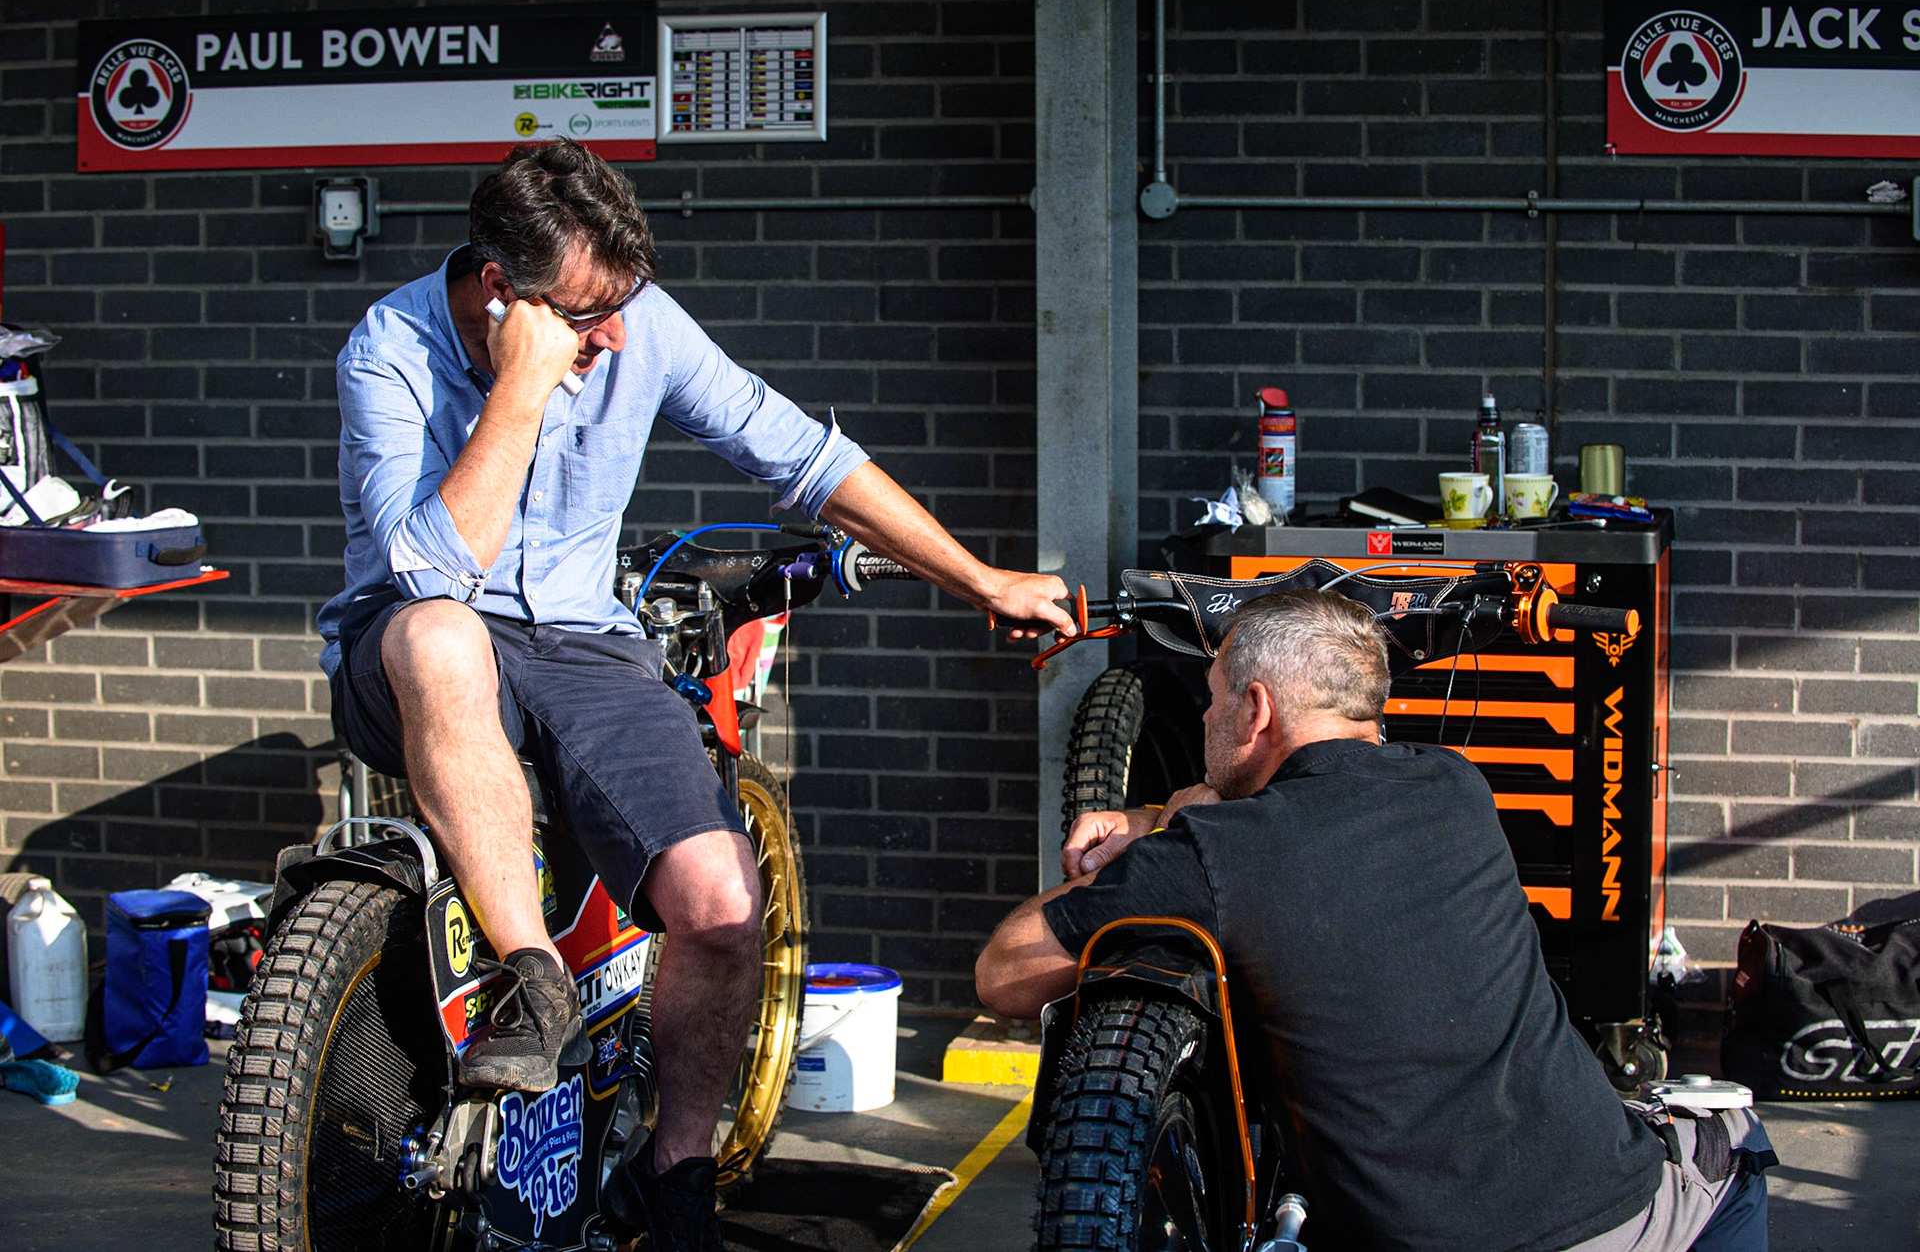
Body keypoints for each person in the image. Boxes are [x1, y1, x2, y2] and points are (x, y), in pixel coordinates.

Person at [317, 137, 1072, 1251]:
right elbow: (434, 572)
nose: (613, 335)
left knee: (721, 901)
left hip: (582, 647)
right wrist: (522, 387)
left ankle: (672, 1178)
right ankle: (533, 979)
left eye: (620, 304)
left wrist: (978, 577)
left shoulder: (639, 324)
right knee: (440, 634)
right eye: (584, 315)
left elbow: (805, 459)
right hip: (413, 649)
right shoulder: (391, 348)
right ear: (498, 293)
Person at [977, 590, 1772, 1252]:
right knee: (1730, 1135)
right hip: (1630, 1221)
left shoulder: (1214, 856)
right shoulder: (1456, 788)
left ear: (1255, 710)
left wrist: (1160, 828)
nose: (1209, 719)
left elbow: (1004, 972)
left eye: (1215, 699)